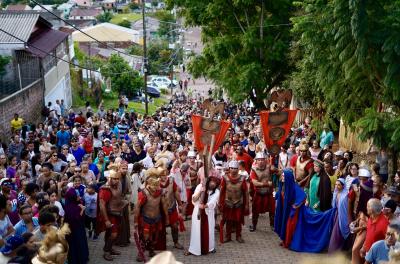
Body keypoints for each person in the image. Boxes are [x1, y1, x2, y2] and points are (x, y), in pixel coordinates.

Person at [134, 169, 167, 261]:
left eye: (157, 185)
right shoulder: (143, 193)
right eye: (154, 185)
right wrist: (135, 221)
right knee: (145, 237)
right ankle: (141, 253)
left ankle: (151, 250)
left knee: (155, 237)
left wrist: (167, 218)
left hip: (157, 218)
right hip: (146, 219)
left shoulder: (160, 193)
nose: (156, 187)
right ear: (148, 184)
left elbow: (164, 205)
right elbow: (137, 208)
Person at [97, 169, 127, 261]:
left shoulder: (118, 185)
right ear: (109, 178)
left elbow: (119, 197)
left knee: (113, 233)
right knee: (113, 234)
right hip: (109, 214)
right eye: (114, 179)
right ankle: (106, 251)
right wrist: (106, 220)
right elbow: (102, 206)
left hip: (117, 212)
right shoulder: (105, 189)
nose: (116, 180)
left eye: (118, 179)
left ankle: (110, 248)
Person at [187, 174, 220, 256]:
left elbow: (213, 202)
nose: (213, 184)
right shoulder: (200, 186)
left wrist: (205, 206)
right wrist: (201, 191)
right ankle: (194, 249)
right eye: (212, 182)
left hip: (208, 213)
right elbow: (194, 199)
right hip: (197, 211)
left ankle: (209, 247)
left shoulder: (216, 191)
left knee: (209, 230)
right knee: (196, 230)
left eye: (215, 183)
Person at [219, 160, 249, 243]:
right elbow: (222, 191)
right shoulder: (225, 178)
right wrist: (220, 202)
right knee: (228, 220)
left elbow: (245, 192)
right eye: (232, 168)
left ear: (238, 168)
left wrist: (246, 204)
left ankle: (238, 236)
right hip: (228, 202)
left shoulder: (242, 178)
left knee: (238, 220)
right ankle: (228, 236)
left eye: (235, 168)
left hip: (238, 202)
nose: (233, 170)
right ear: (229, 168)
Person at [159, 165, 184, 250]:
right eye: (162, 175)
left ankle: (176, 242)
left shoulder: (171, 181)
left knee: (174, 226)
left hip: (172, 206)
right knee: (160, 227)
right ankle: (160, 244)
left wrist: (180, 204)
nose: (164, 176)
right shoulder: (156, 183)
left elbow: (176, 193)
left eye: (165, 174)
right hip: (160, 209)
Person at [249, 152, 275, 231]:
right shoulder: (253, 169)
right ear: (256, 161)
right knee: (255, 210)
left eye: (262, 160)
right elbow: (255, 183)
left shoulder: (269, 167)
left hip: (268, 193)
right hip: (258, 193)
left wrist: (275, 169)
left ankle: (272, 225)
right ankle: (254, 225)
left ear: (265, 160)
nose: (260, 161)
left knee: (272, 210)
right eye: (259, 160)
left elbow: (280, 173)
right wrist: (267, 184)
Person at [64, 187, 89, 264]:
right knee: (77, 246)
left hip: (79, 229)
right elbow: (75, 219)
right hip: (74, 231)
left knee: (81, 243)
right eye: (77, 196)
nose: (79, 197)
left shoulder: (76, 203)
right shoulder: (69, 207)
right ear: (73, 197)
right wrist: (82, 210)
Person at [328, 178, 350, 252]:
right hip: (337, 215)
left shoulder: (346, 195)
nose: (337, 186)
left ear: (343, 186)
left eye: (339, 185)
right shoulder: (336, 193)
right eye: (336, 185)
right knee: (336, 232)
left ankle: (337, 249)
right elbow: (334, 205)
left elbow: (347, 208)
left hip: (343, 216)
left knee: (337, 232)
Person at [115, 161, 131, 247]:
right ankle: (118, 240)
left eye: (126, 169)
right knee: (119, 222)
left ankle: (125, 239)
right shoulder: (115, 177)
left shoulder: (127, 177)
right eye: (123, 168)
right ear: (119, 168)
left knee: (125, 221)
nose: (125, 170)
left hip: (124, 202)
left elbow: (129, 191)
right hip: (116, 203)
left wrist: (126, 200)